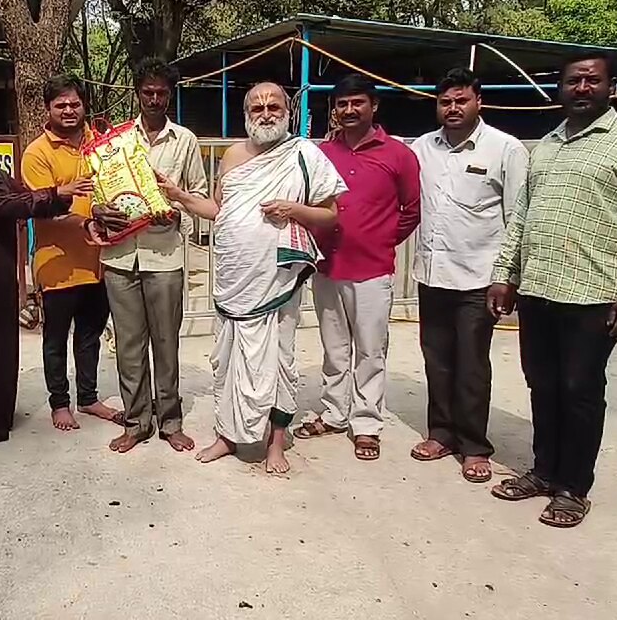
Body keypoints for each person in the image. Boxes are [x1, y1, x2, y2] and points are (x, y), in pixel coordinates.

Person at [488, 53, 617, 528]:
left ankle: (573, 487)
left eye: (593, 80)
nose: (583, 87)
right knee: (542, 384)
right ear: (561, 89)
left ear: (612, 88)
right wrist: (506, 274)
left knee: (580, 389)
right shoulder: (547, 145)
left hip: (595, 291)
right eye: (574, 80)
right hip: (540, 287)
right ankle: (544, 471)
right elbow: (523, 218)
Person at [163, 82, 346, 473]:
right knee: (228, 359)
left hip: (277, 279)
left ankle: (276, 443)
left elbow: (331, 214)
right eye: (257, 106)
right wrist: (179, 195)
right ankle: (227, 436)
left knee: (278, 360)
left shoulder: (303, 155)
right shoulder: (231, 156)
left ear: (287, 111)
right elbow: (217, 209)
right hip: (234, 276)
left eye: (274, 105)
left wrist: (295, 209)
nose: (266, 112)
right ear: (246, 113)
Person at [409, 68, 528, 483]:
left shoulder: (505, 149)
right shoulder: (423, 148)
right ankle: (441, 433)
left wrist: (507, 276)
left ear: (480, 101)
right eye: (445, 102)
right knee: (436, 360)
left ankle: (475, 446)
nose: (453, 108)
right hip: (432, 273)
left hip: (480, 278)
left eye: (461, 100)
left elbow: (517, 217)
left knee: (472, 363)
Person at [295, 73, 421, 462]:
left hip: (372, 269)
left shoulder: (398, 155)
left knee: (370, 350)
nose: (349, 110)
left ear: (374, 106)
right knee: (334, 349)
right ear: (334, 109)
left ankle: (366, 423)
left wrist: (379, 239)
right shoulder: (320, 154)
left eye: (357, 103)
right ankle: (334, 413)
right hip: (327, 266)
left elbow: (411, 211)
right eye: (342, 104)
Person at [0, 125, 93, 447]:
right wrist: (59, 193)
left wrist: (57, 198)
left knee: (1, 344)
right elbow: (9, 206)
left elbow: (23, 196)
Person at [88, 58, 207, 454]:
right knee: (128, 344)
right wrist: (97, 211)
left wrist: (176, 202)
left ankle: (170, 421)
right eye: (147, 92)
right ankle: (137, 421)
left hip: (165, 255)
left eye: (161, 93)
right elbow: (96, 191)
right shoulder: (116, 142)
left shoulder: (185, 141)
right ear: (136, 93)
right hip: (121, 255)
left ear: (170, 95)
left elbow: (200, 196)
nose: (154, 99)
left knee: (165, 342)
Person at [21, 75, 125, 432]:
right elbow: (43, 207)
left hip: (99, 261)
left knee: (90, 335)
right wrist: (84, 222)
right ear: (48, 109)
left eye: (74, 103)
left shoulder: (101, 144)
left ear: (84, 106)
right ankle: (59, 403)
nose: (68, 110)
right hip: (57, 263)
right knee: (55, 338)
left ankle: (89, 397)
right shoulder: (37, 153)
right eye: (61, 105)